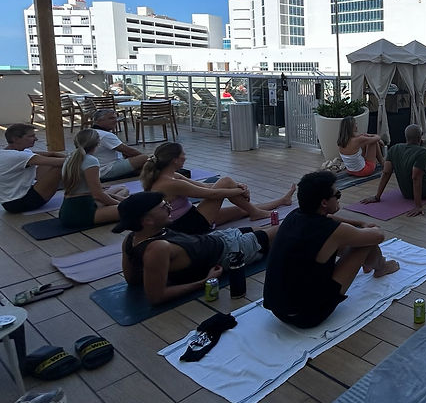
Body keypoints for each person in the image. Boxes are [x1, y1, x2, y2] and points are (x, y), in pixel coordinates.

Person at [264, 171, 400, 328]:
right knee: (366, 242)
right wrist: (370, 229)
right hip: (306, 316)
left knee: (349, 239)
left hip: (278, 310)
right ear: (324, 203)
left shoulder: (294, 215)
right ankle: (381, 267)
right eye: (337, 195)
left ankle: (369, 263)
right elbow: (378, 236)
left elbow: (329, 218)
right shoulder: (332, 231)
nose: (339, 198)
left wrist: (359, 223)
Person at [116, 191, 278, 305]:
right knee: (282, 230)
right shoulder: (157, 249)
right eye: (163, 207)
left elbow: (132, 279)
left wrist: (157, 272)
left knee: (264, 230)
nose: (170, 208)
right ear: (147, 220)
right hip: (229, 251)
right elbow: (156, 297)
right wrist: (203, 282)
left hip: (216, 238)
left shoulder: (131, 239)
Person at [141, 142, 295, 234]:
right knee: (226, 181)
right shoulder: (171, 183)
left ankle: (282, 201)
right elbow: (211, 194)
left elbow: (205, 186)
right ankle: (256, 212)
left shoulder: (173, 176)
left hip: (190, 216)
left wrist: (238, 186)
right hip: (185, 226)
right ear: (175, 160)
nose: (185, 157)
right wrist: (239, 190)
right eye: (183, 154)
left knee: (241, 209)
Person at [59, 129, 125, 229]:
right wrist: (122, 204)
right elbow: (97, 195)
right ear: (98, 144)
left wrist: (118, 200)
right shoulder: (90, 160)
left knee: (122, 189)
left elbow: (94, 193)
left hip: (70, 208)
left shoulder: (71, 158)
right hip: (82, 211)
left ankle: (115, 205)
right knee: (135, 210)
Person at [0, 123, 64, 213]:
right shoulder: (18, 156)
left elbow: (51, 154)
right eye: (31, 136)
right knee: (59, 165)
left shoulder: (7, 152)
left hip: (9, 202)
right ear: (16, 139)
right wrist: (82, 157)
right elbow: (62, 162)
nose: (36, 139)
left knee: (50, 161)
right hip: (19, 203)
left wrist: (64, 155)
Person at [91, 108, 149, 180]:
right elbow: (130, 151)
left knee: (141, 166)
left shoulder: (92, 132)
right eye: (111, 118)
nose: (115, 120)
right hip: (106, 169)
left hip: (97, 169)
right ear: (99, 121)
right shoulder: (105, 135)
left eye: (115, 118)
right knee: (144, 158)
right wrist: (150, 159)